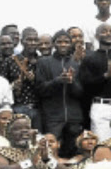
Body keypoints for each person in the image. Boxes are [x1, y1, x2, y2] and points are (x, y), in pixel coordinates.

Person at [36, 30, 85, 158]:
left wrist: (71, 82)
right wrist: (58, 81)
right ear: (53, 44)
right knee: (51, 152)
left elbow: (82, 93)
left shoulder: (77, 64)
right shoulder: (43, 62)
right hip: (52, 117)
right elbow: (40, 89)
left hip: (74, 117)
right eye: (60, 42)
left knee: (74, 152)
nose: (63, 44)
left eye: (66, 42)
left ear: (70, 44)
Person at [1, 27, 42, 131]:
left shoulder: (43, 62)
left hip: (39, 110)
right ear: (22, 41)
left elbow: (47, 87)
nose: (32, 43)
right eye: (29, 40)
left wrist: (34, 80)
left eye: (35, 40)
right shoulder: (10, 61)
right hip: (18, 108)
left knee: (37, 141)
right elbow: (2, 87)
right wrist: (14, 85)